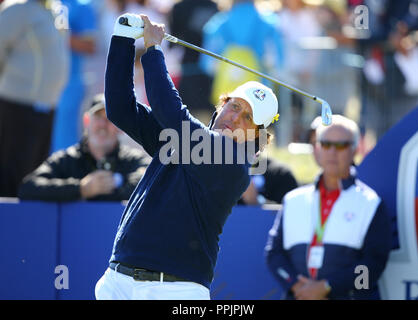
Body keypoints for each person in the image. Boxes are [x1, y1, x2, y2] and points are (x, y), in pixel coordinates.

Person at [94, 13, 279, 300]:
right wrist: (122, 41)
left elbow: (171, 111)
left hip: (175, 289)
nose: (235, 117)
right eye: (234, 106)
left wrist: (154, 50)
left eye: (248, 117)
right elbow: (119, 108)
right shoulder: (181, 139)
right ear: (222, 104)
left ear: (256, 135)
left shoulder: (233, 162)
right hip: (118, 279)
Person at [265, 115, 392, 300]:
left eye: (341, 145)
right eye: (325, 144)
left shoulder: (371, 203)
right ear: (317, 148)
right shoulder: (293, 200)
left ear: (355, 149)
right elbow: (273, 254)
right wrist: (296, 286)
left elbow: (373, 266)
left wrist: (327, 287)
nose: (332, 151)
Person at [18, 94, 149, 202]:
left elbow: (150, 184)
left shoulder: (133, 159)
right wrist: (81, 188)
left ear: (121, 126)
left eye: (110, 118)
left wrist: (107, 188)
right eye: (98, 117)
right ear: (86, 121)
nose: (103, 124)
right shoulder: (67, 159)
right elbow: (28, 188)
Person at [0, 0, 69, 197]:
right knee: (12, 178)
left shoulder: (55, 11)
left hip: (45, 108)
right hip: (16, 107)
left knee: (34, 178)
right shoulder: (16, 9)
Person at [50, 0, 97, 152]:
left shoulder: (81, 5)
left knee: (63, 140)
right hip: (39, 83)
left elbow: (90, 45)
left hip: (69, 84)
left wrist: (56, 32)